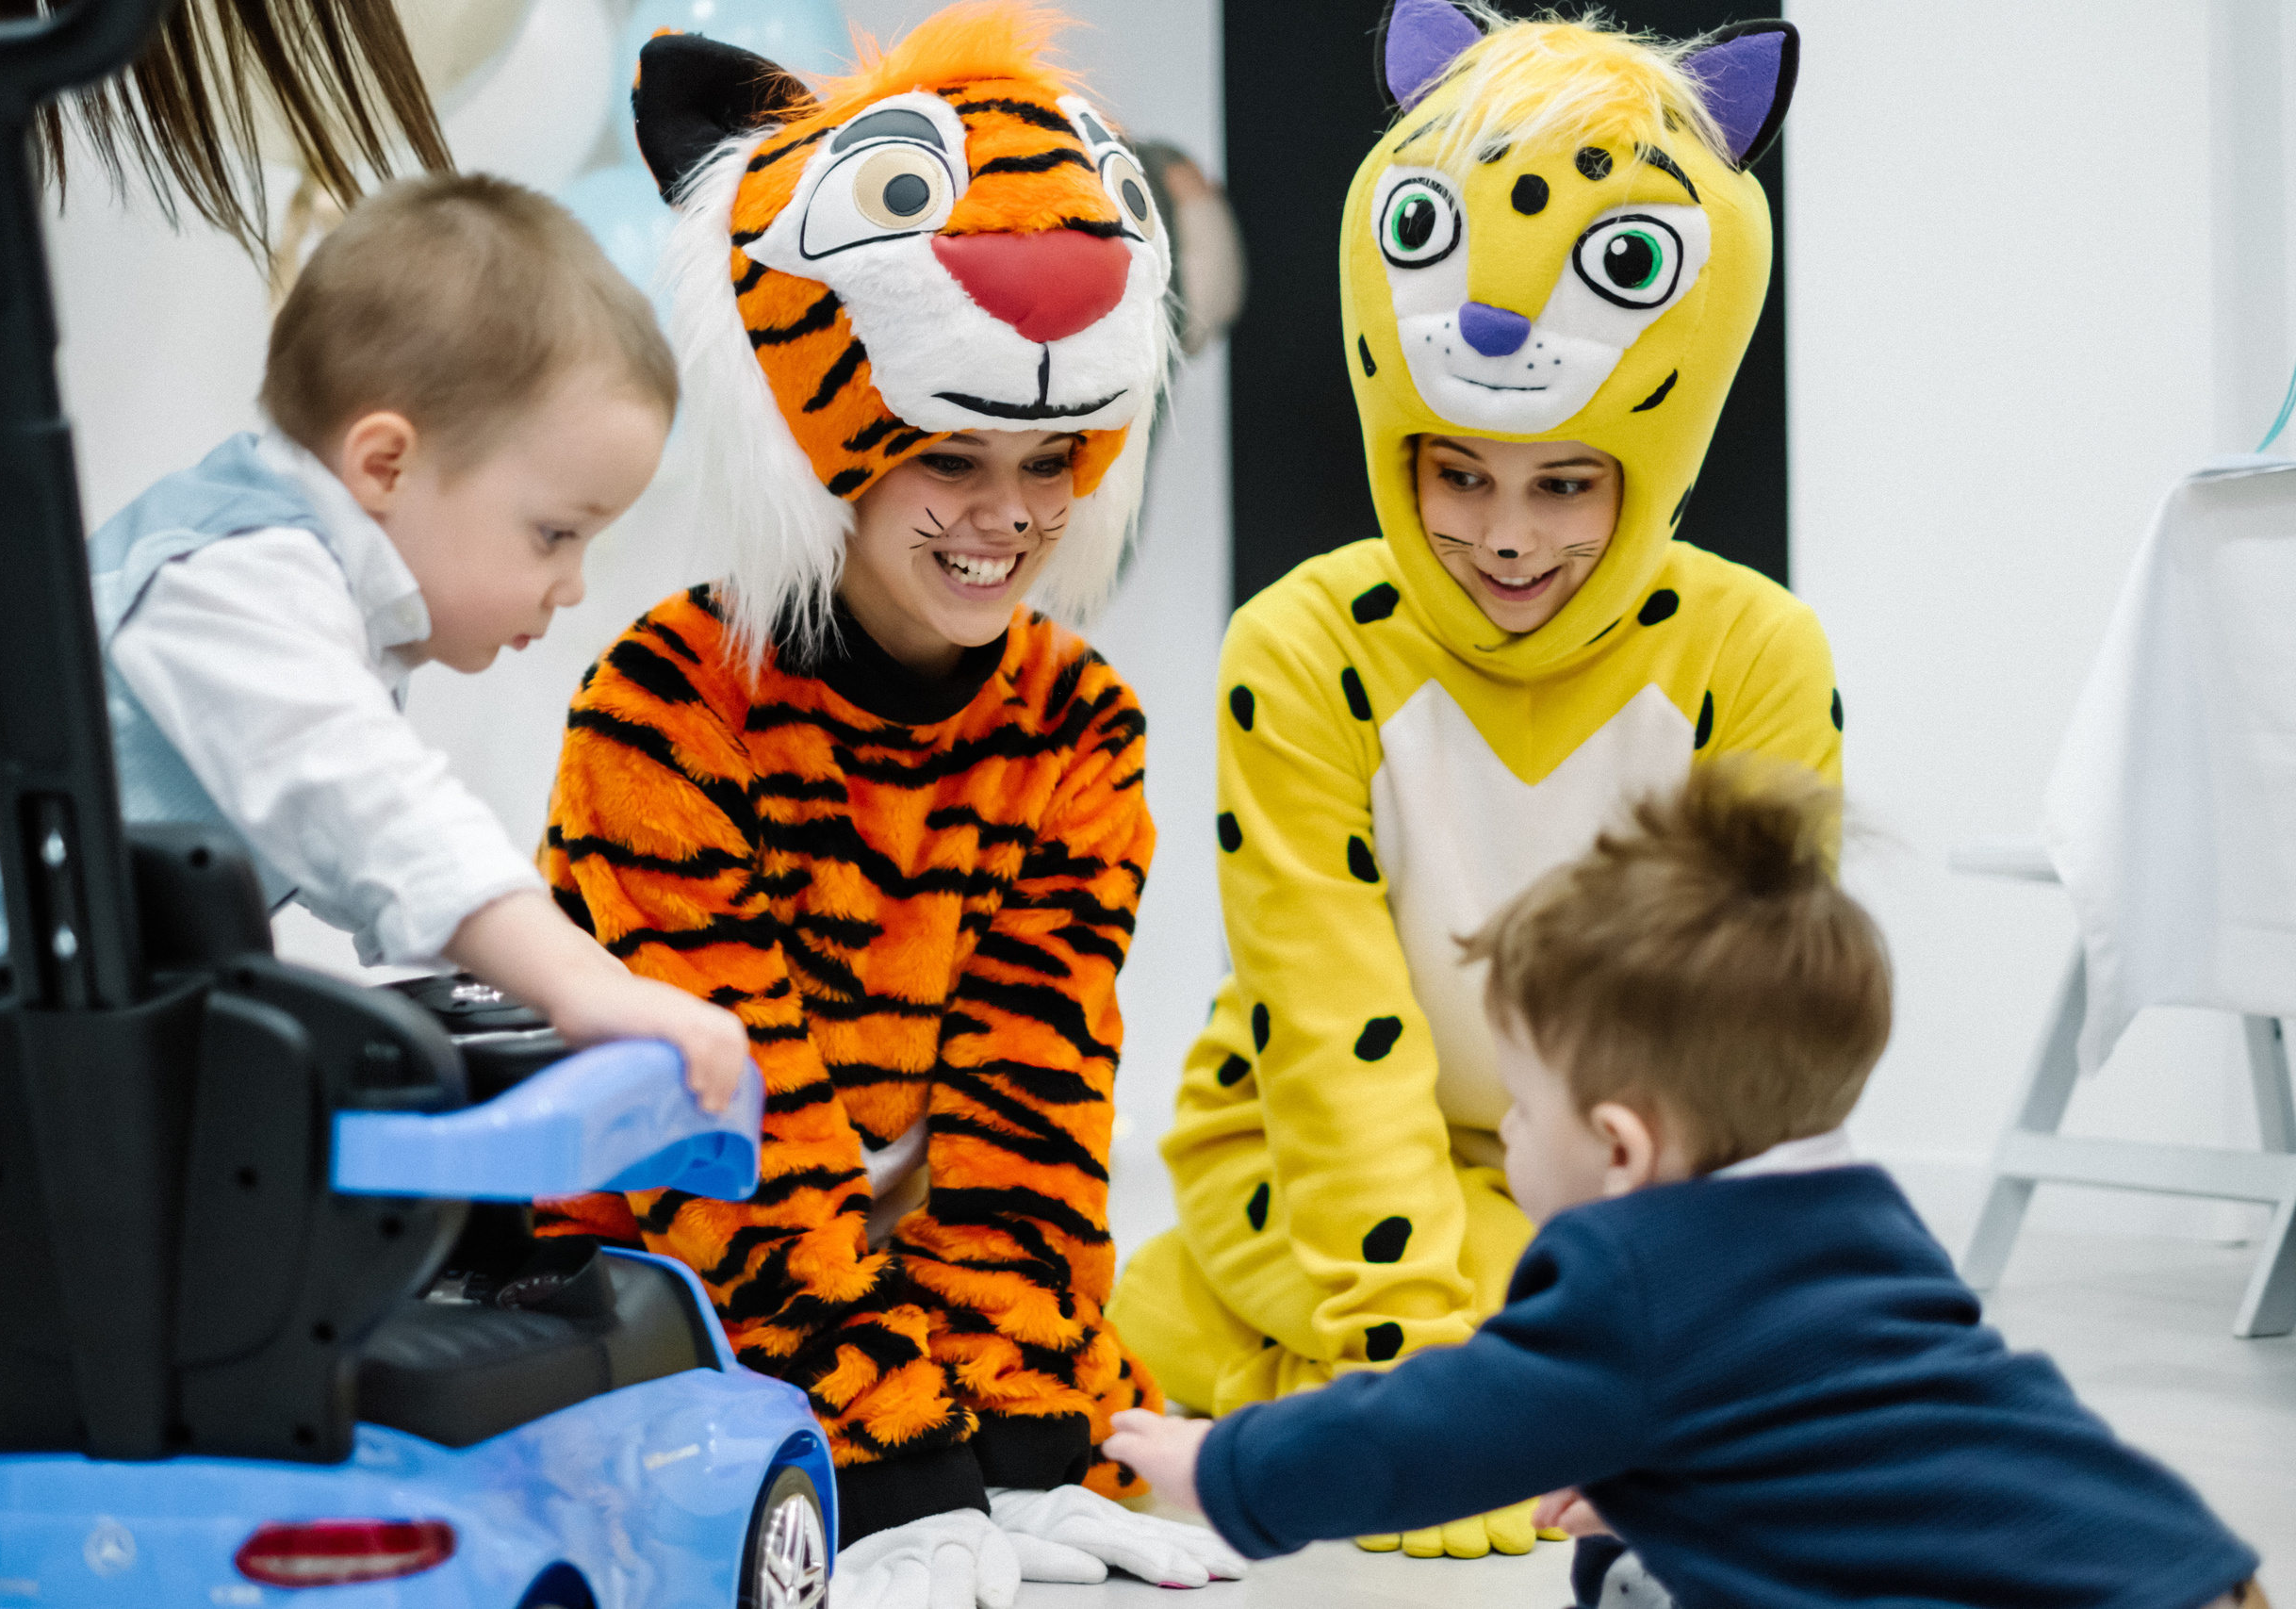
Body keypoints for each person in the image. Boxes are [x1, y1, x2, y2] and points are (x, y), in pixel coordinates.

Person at [530, 8, 1242, 1608]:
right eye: (948, 456)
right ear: (838, 433)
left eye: (1053, 458)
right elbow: (728, 1128)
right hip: (655, 1280)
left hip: (901, 1304)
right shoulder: (668, 701)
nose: (1007, 518)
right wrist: (892, 1464)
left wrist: (1036, 1440)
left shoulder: (1081, 721)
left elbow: (1031, 1109)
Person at [1107, 4, 1833, 1561]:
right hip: (1307, 1169)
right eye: (1461, 475)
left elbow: (1749, 1047)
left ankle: (1293, 1393)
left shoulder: (1755, 652)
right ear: (1397, 435)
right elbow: (1329, 1021)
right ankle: (1342, 1366)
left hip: (1615, 1188)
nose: (1509, 538)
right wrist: (1417, 1366)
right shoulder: (1301, 643)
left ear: (1659, 440)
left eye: (1568, 482)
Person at [0, 172, 748, 1468]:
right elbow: (364, 808)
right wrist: (585, 983)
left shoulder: (312, 594)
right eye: (556, 531)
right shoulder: (239, 577)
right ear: (386, 461)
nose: (573, 584)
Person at [1107, 762, 2269, 1609]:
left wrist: (1223, 1465)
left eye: (1520, 1103)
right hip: (2184, 1566)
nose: (1505, 1132)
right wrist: (1665, 1480)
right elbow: (1858, 1444)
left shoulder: (1632, 1275)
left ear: (1620, 1150)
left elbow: (1420, 1434)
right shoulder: (1861, 1215)